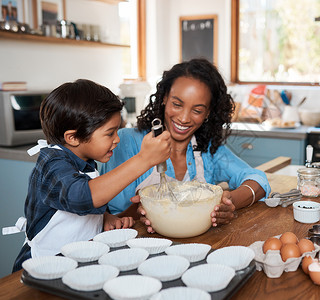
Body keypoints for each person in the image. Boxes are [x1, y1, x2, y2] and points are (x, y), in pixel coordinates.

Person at [12, 79, 171, 272]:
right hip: (41, 266)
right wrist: (144, 159)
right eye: (110, 133)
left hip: (76, 262)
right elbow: (81, 196)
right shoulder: (52, 164)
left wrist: (104, 218)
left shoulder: (84, 159)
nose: (117, 139)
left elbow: (70, 207)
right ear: (73, 137)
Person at [101, 58, 271, 232]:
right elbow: (108, 217)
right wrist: (145, 209)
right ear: (164, 97)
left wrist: (228, 203)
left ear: (207, 113)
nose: (183, 118)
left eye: (197, 110)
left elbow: (258, 180)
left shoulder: (207, 150)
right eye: (177, 104)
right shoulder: (127, 142)